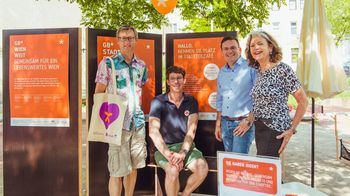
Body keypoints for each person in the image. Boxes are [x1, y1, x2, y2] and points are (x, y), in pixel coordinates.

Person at [94, 25, 148, 196]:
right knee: (117, 171)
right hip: (118, 124)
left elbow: (141, 88)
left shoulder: (141, 65)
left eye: (130, 38)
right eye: (123, 38)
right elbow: (99, 94)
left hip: (138, 123)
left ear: (136, 40)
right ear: (118, 41)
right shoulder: (108, 64)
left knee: (133, 167)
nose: (127, 41)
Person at [244, 30, 308, 157]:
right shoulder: (258, 71)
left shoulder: (282, 70)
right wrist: (248, 120)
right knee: (267, 171)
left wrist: (291, 129)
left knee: (266, 169)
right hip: (260, 127)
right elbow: (259, 103)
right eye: (252, 45)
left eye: (260, 44)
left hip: (275, 128)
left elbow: (303, 101)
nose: (256, 47)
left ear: (270, 47)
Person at [149, 66, 208, 196]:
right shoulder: (158, 101)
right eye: (173, 79)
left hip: (186, 147)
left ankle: (185, 194)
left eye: (179, 78)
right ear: (168, 82)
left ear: (184, 80)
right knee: (172, 170)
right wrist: (169, 155)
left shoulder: (191, 101)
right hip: (164, 149)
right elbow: (153, 132)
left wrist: (182, 153)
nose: (176, 81)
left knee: (202, 168)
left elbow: (191, 131)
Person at [215, 36, 257, 154]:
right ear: (222, 51)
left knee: (238, 164)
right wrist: (218, 124)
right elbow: (219, 100)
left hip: (242, 123)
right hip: (225, 124)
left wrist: (249, 121)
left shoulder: (251, 68)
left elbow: (259, 99)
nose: (229, 51)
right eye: (226, 49)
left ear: (239, 49)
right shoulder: (222, 72)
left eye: (233, 48)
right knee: (230, 163)